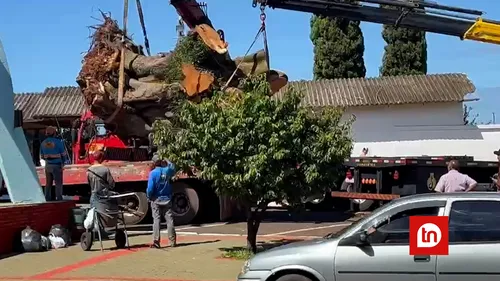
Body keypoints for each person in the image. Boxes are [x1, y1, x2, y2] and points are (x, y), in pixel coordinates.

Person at [147, 154, 176, 249]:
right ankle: (172, 241)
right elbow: (173, 167)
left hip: (156, 199)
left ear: (154, 163)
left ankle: (156, 241)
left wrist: (149, 196)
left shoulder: (153, 173)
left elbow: (150, 188)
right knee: (169, 220)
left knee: (156, 220)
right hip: (167, 199)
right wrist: (167, 159)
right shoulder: (167, 171)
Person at [40, 126, 68, 201]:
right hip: (56, 165)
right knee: (58, 183)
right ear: (54, 133)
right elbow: (63, 154)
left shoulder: (43, 143)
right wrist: (64, 162)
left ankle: (47, 198)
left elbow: (42, 156)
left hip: (48, 165)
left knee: (48, 183)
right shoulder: (58, 142)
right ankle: (59, 198)